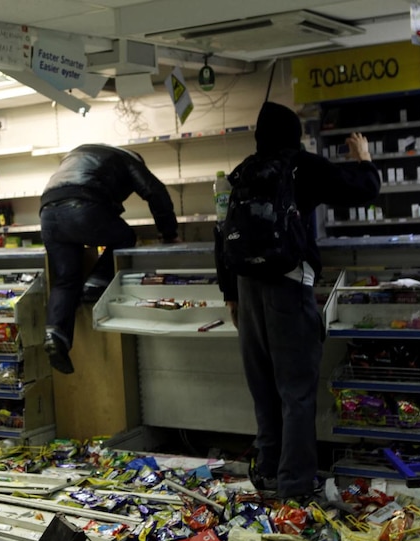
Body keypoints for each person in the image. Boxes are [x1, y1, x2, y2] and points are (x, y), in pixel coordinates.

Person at [216, 102, 381, 502]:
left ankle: (268, 471)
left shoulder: (243, 172)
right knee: (297, 391)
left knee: (265, 390)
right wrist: (364, 159)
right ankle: (295, 485)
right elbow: (364, 191)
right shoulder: (301, 165)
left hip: (247, 290)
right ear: (295, 135)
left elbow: (221, 234)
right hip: (288, 288)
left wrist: (231, 295)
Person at [40, 144, 180, 375]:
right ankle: (96, 283)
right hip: (81, 205)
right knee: (125, 236)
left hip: (47, 213)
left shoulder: (81, 153)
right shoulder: (127, 160)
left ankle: (55, 336)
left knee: (66, 278)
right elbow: (155, 190)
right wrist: (168, 233)